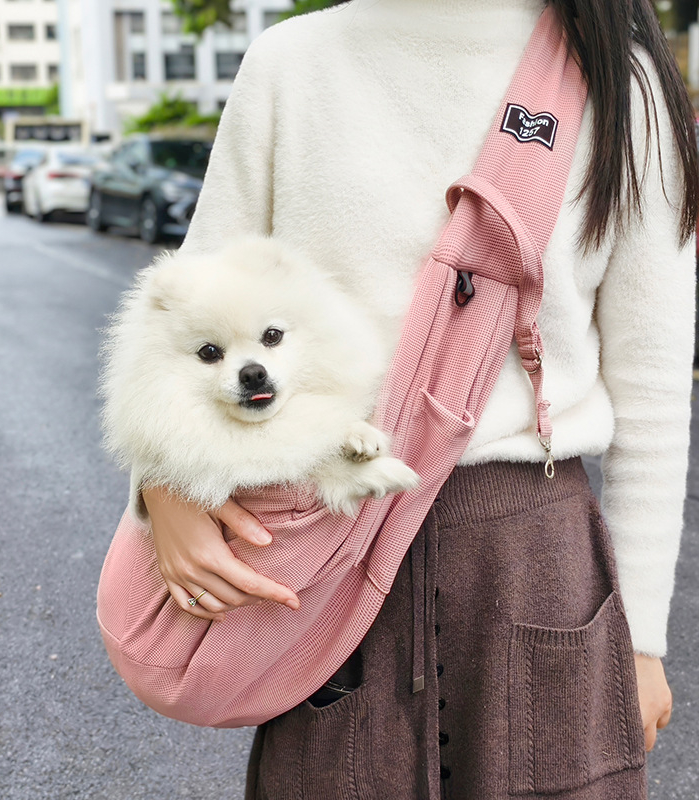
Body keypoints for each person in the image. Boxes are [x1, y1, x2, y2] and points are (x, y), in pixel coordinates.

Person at [114, 0, 697, 796]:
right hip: (324, 537)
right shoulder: (291, 63)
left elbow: (653, 390)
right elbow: (188, 319)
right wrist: (165, 485)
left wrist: (643, 642)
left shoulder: (622, 84)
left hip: (532, 563)